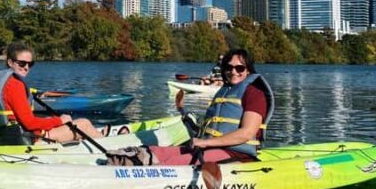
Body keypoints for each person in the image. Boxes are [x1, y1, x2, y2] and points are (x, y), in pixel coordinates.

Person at [108, 49, 274, 166]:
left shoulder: (254, 93)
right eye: (229, 67)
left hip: (236, 154)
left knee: (165, 164)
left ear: (248, 71)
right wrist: (182, 111)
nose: (233, 71)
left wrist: (205, 143)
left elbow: (246, 134)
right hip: (210, 147)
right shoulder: (225, 90)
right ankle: (119, 161)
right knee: (146, 152)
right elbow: (210, 126)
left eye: (239, 68)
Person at [0, 42, 105, 145]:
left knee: (52, 120)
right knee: (84, 123)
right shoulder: (15, 85)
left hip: (1, 136)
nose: (26, 67)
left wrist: (52, 120)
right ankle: (111, 151)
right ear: (10, 62)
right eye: (22, 63)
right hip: (25, 139)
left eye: (30, 64)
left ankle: (97, 137)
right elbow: (30, 124)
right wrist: (59, 121)